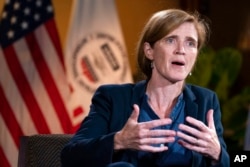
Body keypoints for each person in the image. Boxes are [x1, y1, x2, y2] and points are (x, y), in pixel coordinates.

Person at [61, 9, 230, 167]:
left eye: (190, 43)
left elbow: (233, 161)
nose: (181, 50)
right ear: (149, 51)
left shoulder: (206, 101)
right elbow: (71, 155)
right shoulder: (113, 98)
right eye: (171, 40)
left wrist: (217, 153)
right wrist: (119, 140)